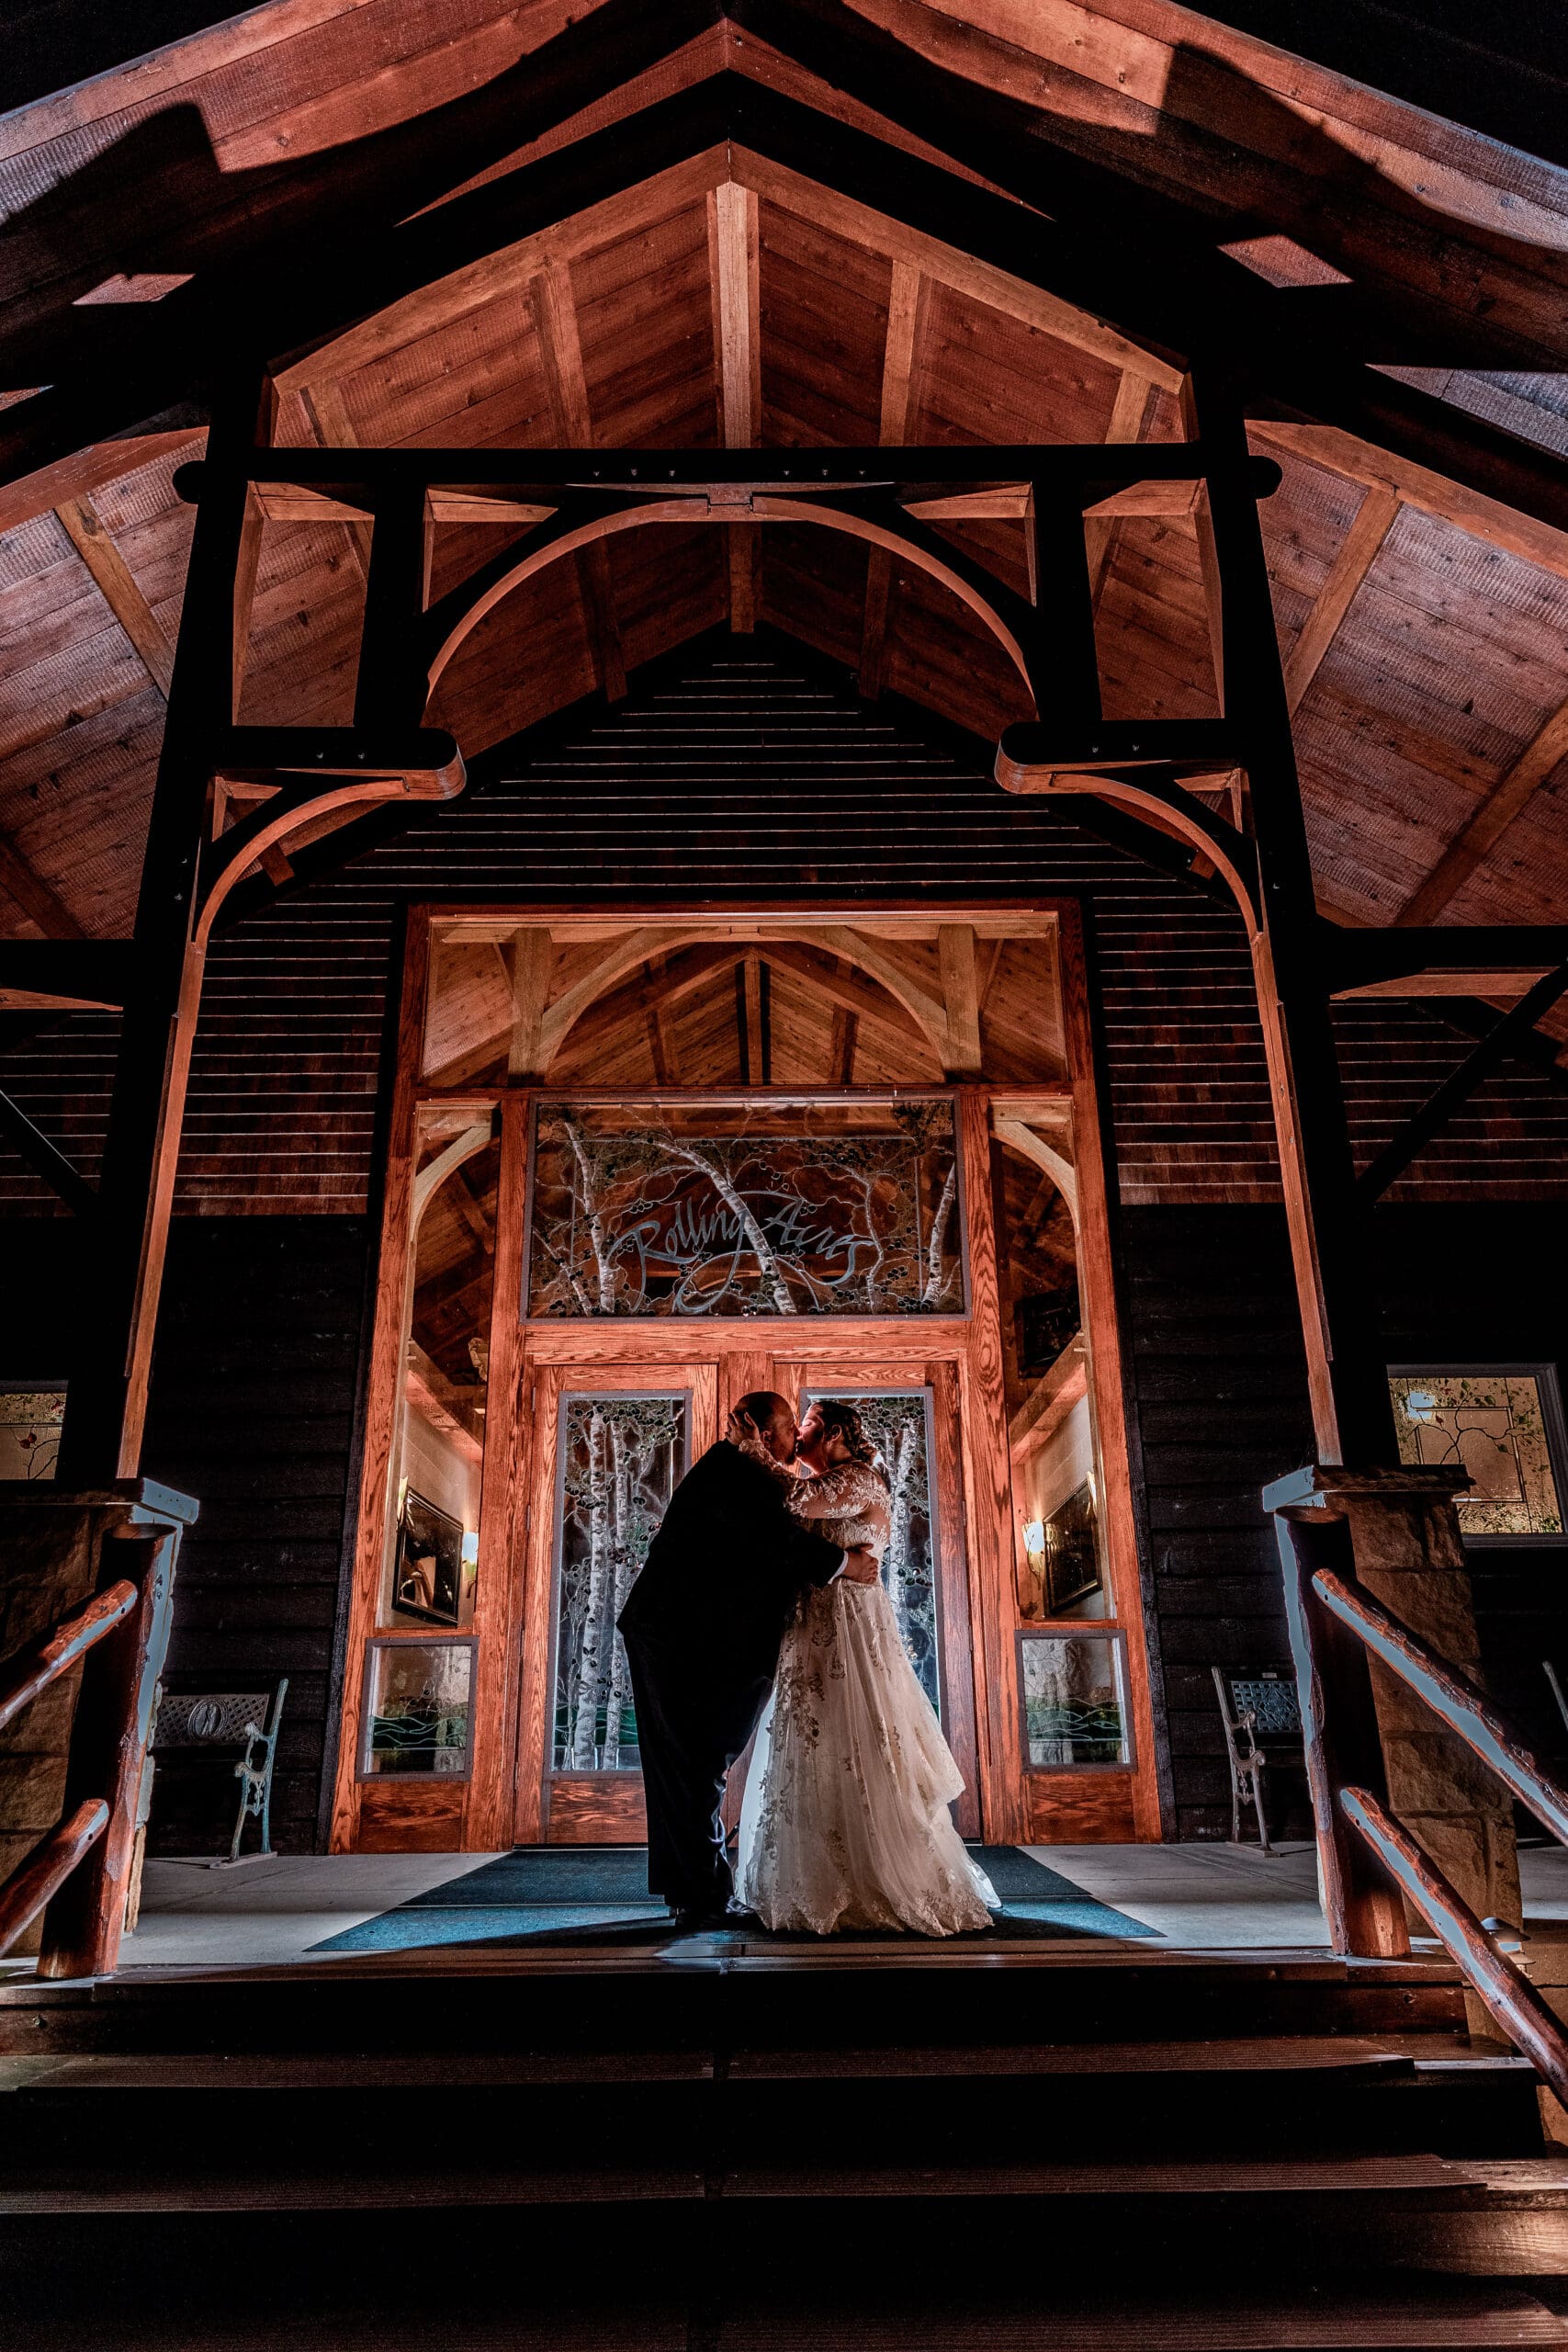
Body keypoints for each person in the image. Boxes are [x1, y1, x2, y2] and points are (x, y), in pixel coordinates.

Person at [616, 1390, 881, 1930]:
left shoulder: (738, 1469)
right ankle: (700, 1895)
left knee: (691, 1763)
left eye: (802, 1427)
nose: (794, 1439)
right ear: (767, 1434)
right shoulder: (738, 1473)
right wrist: (843, 1564)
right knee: (696, 1761)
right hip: (680, 1638)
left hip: (696, 1636)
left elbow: (769, 1534)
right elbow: (774, 1539)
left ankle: (693, 1891)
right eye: (789, 1428)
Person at [736, 1398, 997, 1935]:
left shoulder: (858, 1480)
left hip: (848, 1631)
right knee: (816, 1745)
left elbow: (789, 1502)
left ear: (831, 1433)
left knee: (858, 1739)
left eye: (803, 1425)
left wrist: (752, 1447)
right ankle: (816, 1876)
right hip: (811, 1628)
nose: (797, 1437)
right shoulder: (837, 1484)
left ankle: (875, 1874)